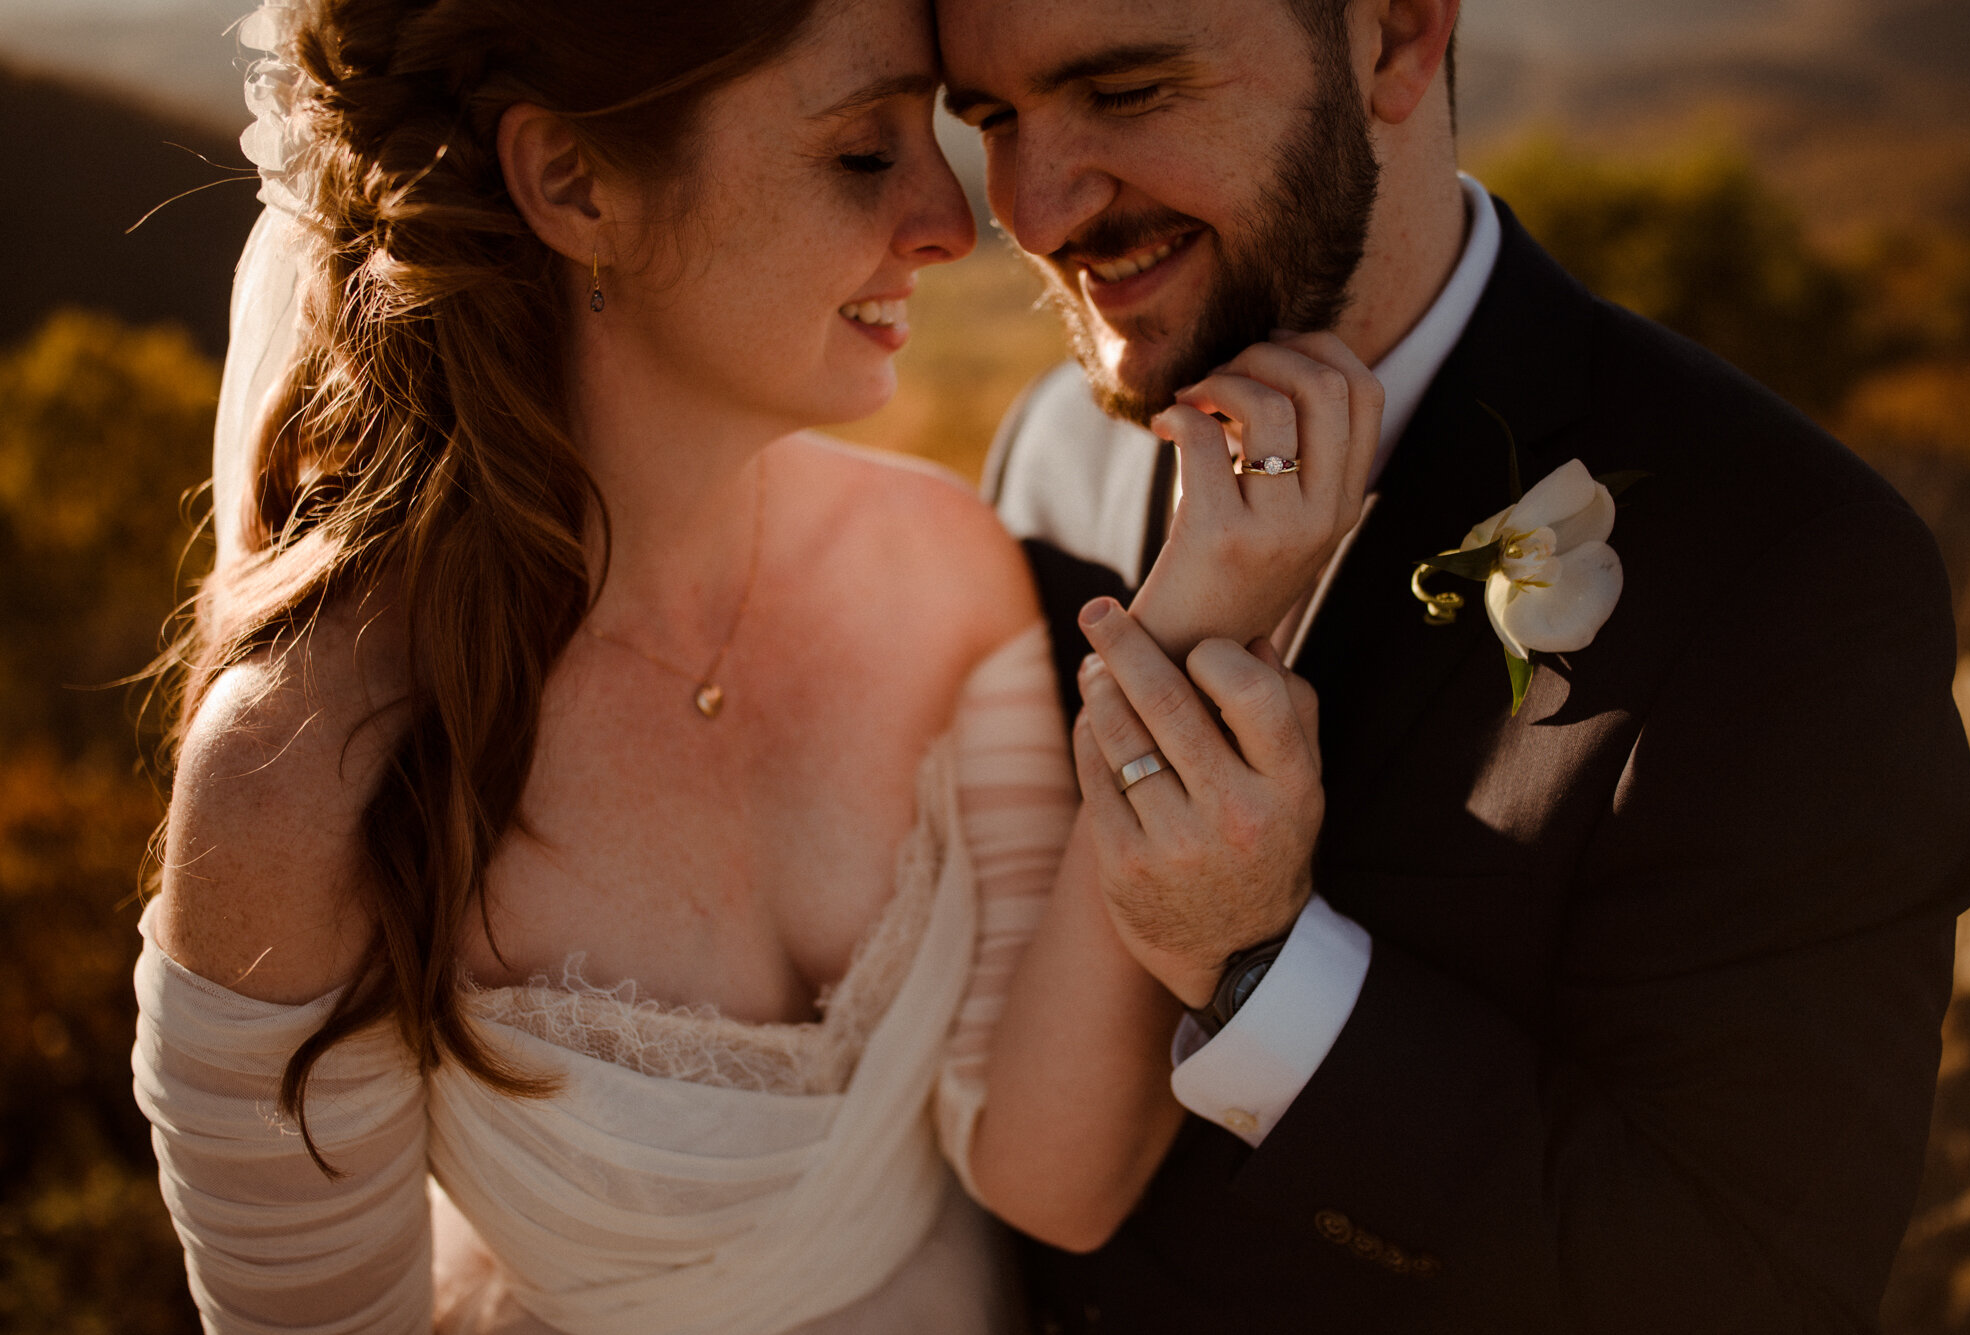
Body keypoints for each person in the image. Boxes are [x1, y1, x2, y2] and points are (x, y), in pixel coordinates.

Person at [132, 0, 1382, 1330]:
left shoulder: (939, 561)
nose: (957, 224)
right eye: (860, 152)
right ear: (573, 182)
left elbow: (1050, 1176)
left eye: (934, 135)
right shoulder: (304, 777)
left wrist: (1203, 609)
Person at [942, 0, 1970, 1329]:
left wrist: (1263, 968)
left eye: (1129, 89)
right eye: (989, 119)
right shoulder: (1051, 455)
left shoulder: (1791, 570)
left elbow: (1746, 1284)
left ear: (1393, 38)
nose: (1031, 210)